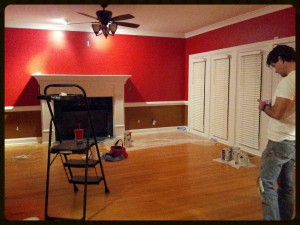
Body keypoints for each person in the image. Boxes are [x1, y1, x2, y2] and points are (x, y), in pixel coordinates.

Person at [257, 45, 295, 220]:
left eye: (274, 65)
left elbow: (278, 114)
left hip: (279, 141)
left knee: (266, 184)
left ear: (281, 59)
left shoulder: (288, 81)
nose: (275, 70)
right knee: (286, 184)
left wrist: (264, 107)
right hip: (292, 142)